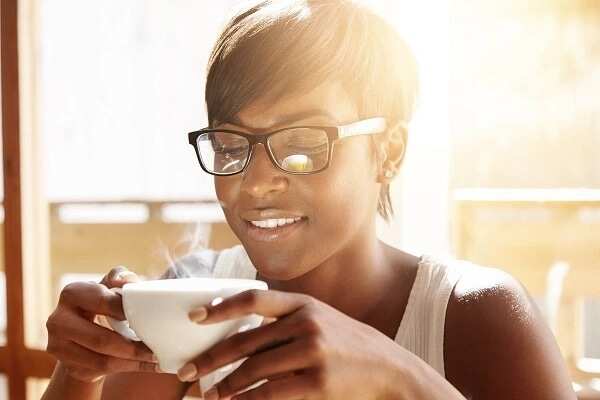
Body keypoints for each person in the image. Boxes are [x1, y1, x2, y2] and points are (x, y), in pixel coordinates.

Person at [42, 1, 576, 399]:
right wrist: (80, 372)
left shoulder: (472, 315)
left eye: (300, 145)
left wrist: (398, 376)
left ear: (388, 152)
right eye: (231, 146)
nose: (253, 184)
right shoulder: (190, 305)